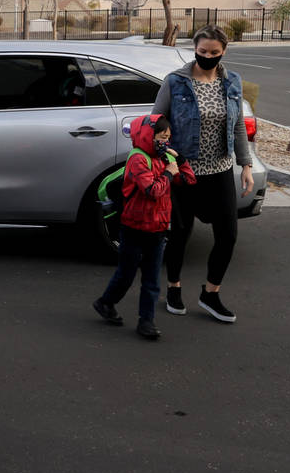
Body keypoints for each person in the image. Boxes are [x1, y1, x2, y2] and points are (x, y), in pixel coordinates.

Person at [152, 24, 254, 322]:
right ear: (194, 49)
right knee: (180, 234)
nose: (207, 57)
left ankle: (210, 293)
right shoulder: (176, 82)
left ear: (223, 52)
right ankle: (173, 287)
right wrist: (166, 158)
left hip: (220, 170)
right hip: (184, 171)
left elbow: (236, 126)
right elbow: (157, 122)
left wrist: (245, 165)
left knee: (228, 235)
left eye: (214, 53)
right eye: (202, 52)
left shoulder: (232, 81)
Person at [93, 114, 195, 339]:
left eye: (168, 138)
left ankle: (146, 322)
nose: (165, 142)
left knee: (151, 279)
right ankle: (105, 302)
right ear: (148, 135)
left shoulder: (165, 156)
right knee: (126, 274)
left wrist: (180, 160)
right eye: (161, 137)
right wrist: (169, 172)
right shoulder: (137, 158)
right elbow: (152, 191)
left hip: (157, 229)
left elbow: (189, 181)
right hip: (134, 227)